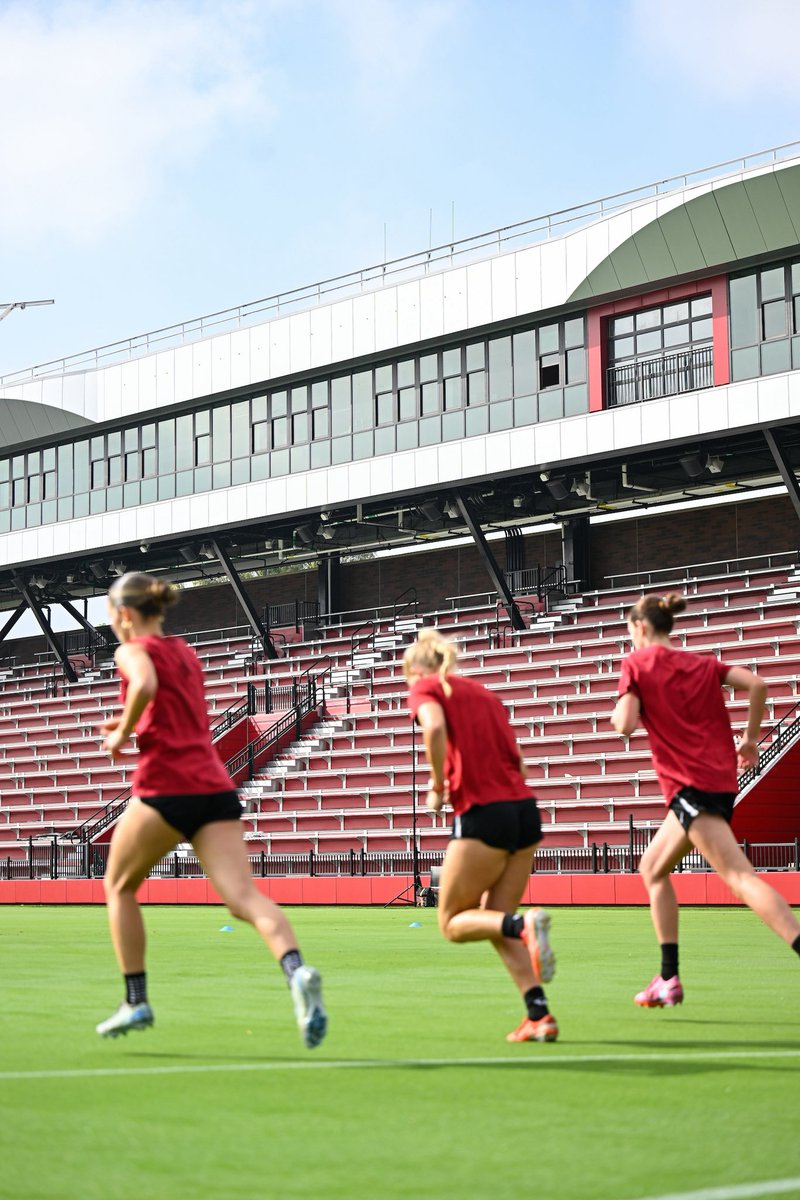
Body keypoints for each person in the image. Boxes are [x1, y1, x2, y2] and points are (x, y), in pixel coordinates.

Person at [95, 571, 327, 1048]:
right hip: (214, 785)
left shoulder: (130, 649)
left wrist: (120, 734)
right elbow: (171, 712)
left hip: (165, 787)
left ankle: (135, 1000)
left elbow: (142, 682)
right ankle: (296, 970)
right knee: (244, 898)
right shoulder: (184, 652)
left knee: (118, 886)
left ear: (123, 615)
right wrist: (132, 723)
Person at [611, 592, 800, 1007]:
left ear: (640, 628)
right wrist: (749, 740)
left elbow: (624, 725)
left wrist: (623, 707)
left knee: (740, 878)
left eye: (630, 632)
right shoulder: (702, 663)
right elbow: (757, 684)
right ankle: (668, 977)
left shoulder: (636, 664)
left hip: (691, 784)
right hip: (714, 782)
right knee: (652, 868)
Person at [403, 627, 558, 1043]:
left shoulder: (427, 688)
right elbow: (521, 765)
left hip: (484, 813)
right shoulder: (486, 695)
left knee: (452, 922)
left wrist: (438, 785)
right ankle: (539, 1015)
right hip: (525, 813)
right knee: (494, 921)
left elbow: (433, 730)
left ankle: (525, 924)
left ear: (417, 670)